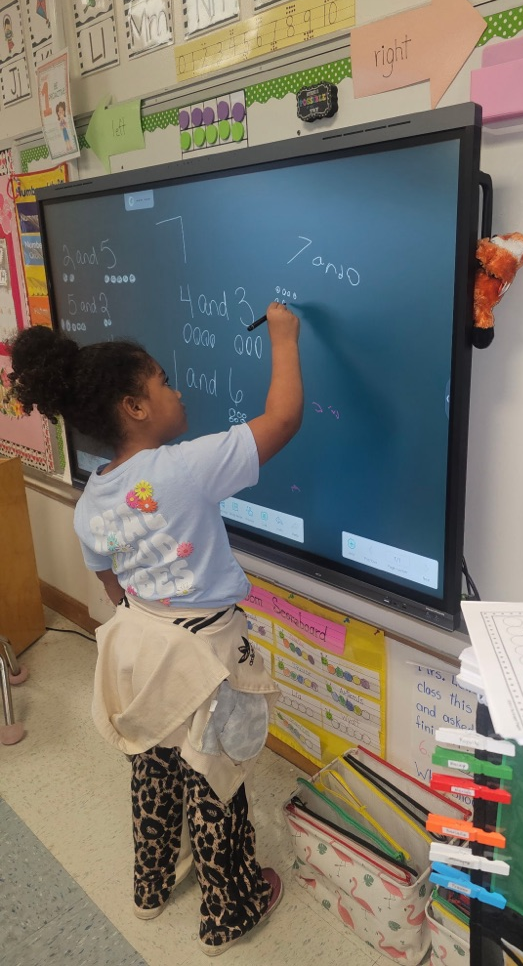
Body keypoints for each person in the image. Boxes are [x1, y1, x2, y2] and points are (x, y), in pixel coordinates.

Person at [8, 300, 302, 957]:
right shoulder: (184, 469)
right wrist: (283, 337)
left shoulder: (94, 500)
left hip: (139, 649)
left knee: (155, 764)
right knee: (215, 781)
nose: (176, 391)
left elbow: (109, 581)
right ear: (135, 407)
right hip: (201, 655)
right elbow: (282, 419)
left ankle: (149, 886)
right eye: (164, 382)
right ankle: (231, 910)